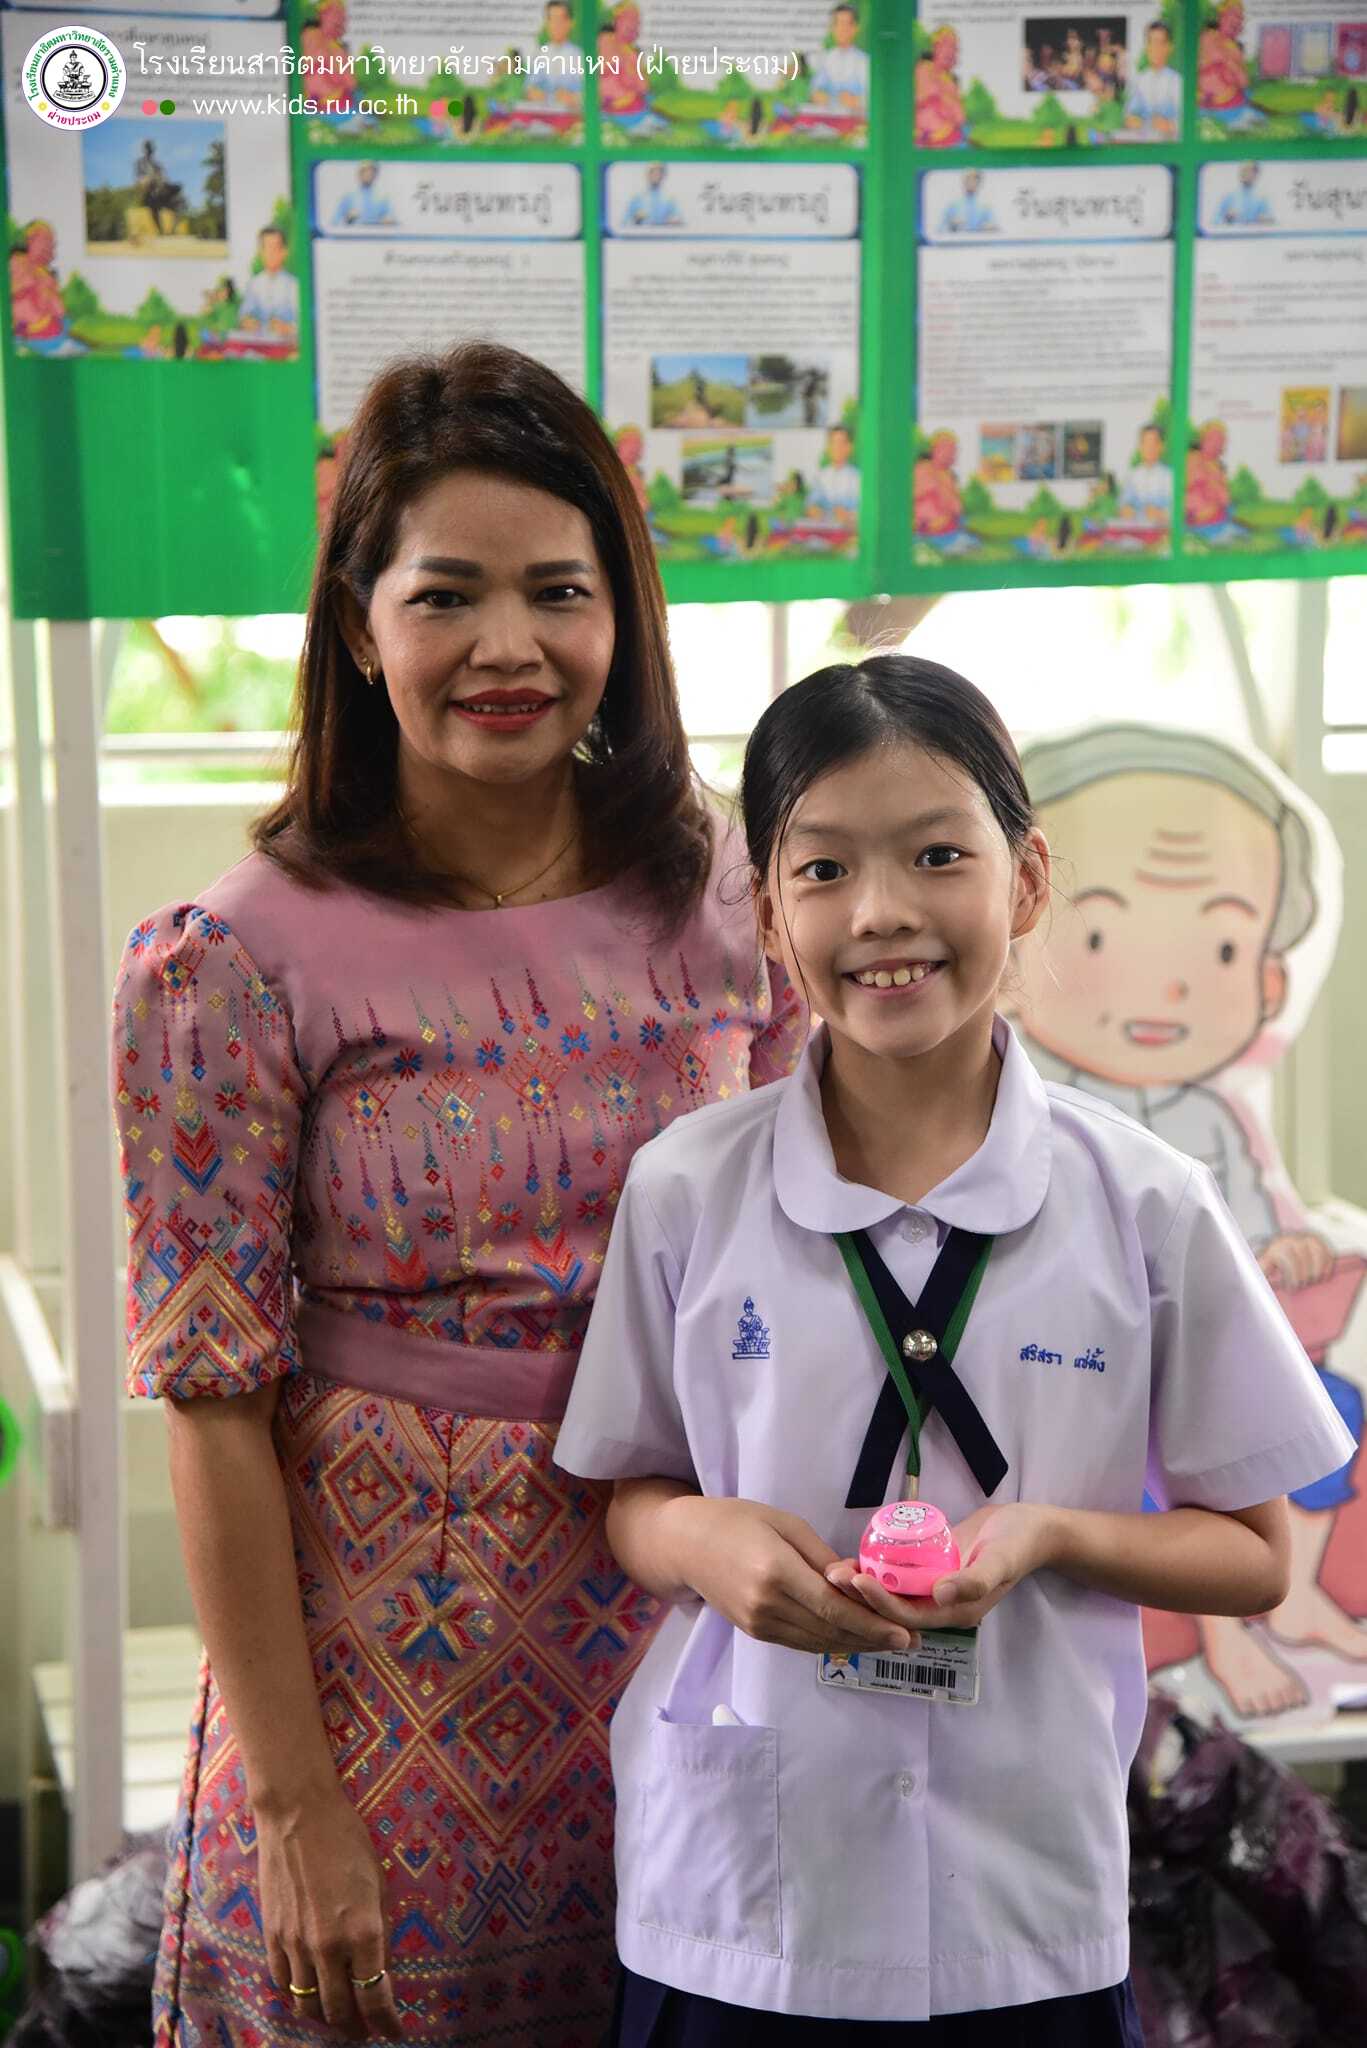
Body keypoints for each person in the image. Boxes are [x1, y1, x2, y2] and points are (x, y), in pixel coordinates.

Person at [111, 342, 804, 2048]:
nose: (510, 647)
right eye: (446, 596)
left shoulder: (733, 892)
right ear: (361, 629)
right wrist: (296, 1806)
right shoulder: (229, 960)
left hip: (683, 1630)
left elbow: (818, 1246)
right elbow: (210, 1402)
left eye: (559, 592)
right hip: (369, 1685)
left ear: (620, 617)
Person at [553, 656, 1353, 2040]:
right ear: (766, 909)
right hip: (744, 1902)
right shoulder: (686, 1187)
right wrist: (703, 1542)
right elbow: (630, 1495)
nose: (881, 912)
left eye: (936, 855)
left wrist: (1049, 1534)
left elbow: (1252, 1552)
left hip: (1022, 1900)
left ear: (1024, 879)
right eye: (822, 869)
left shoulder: (1146, 1203)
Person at [1013, 723, 1365, 1720]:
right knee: (1165, 1452)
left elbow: (1251, 1233)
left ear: (1267, 977)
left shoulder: (1216, 1118)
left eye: (1215, 947)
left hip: (1215, 1355)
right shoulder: (1027, 1103)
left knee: (1327, 1408)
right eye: (1099, 938)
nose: (1160, 988)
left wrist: (1293, 1250)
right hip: (1089, 1370)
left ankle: (1290, 1597)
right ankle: (1224, 1636)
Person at [237, 224, 300, 344]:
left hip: (287, 346)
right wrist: (247, 322)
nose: (271, 253)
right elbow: (244, 315)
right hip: (259, 346)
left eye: (275, 248)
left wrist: (288, 328)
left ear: (284, 252)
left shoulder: (294, 285)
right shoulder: (254, 284)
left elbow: (304, 323)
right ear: (261, 252)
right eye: (267, 248)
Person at [1124, 20, 1182, 138]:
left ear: (1169, 47)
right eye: (1151, 42)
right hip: (1143, 144)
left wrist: (1170, 125)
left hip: (1170, 144)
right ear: (1146, 47)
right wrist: (1134, 120)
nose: (1156, 48)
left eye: (1160, 43)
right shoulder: (1139, 80)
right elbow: (1129, 116)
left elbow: (1187, 121)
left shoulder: (1177, 82)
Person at [808, 4, 869, 116]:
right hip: (829, 119)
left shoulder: (864, 62)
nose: (842, 29)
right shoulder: (826, 59)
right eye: (838, 24)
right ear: (832, 28)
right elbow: (815, 91)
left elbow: (873, 97)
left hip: (855, 119)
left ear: (855, 28)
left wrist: (857, 101)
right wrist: (818, 95)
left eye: (846, 24)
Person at [1118, 421, 1173, 526]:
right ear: (1140, 447)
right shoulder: (1132, 476)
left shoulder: (1169, 477)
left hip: (1162, 531)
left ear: (1161, 446)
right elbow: (1123, 505)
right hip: (1136, 530)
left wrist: (1160, 514)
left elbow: (1177, 510)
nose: (1150, 448)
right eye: (1146, 443)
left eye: (1154, 444)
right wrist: (1126, 510)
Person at [807, 423, 859, 525]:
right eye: (833, 443)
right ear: (828, 447)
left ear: (849, 447)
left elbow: (864, 512)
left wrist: (848, 515)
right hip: (825, 531)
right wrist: (814, 510)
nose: (837, 448)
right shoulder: (820, 477)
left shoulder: (857, 478)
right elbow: (811, 505)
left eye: (841, 443)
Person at [330, 160, 395, 227]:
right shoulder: (348, 197)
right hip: (353, 233)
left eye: (371, 172)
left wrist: (388, 221)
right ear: (359, 173)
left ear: (375, 175)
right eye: (365, 171)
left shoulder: (383, 199)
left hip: (375, 233)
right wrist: (347, 219)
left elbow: (393, 220)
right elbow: (334, 223)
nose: (368, 174)